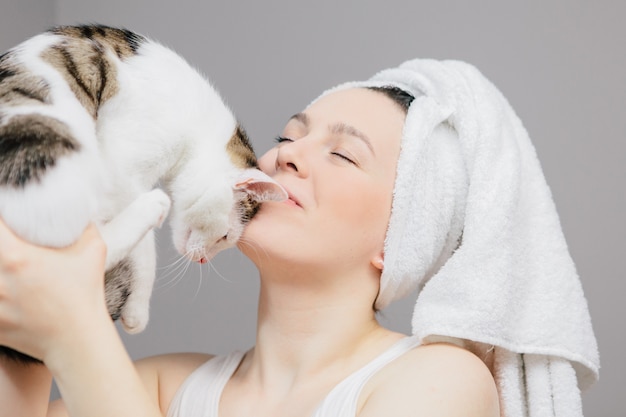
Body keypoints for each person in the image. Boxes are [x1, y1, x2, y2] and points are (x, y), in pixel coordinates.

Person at [0, 59, 598, 417]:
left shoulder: (441, 383)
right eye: (290, 133)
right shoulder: (170, 387)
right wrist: (33, 261)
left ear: (400, 241)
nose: (286, 155)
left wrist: (73, 325)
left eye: (341, 153)